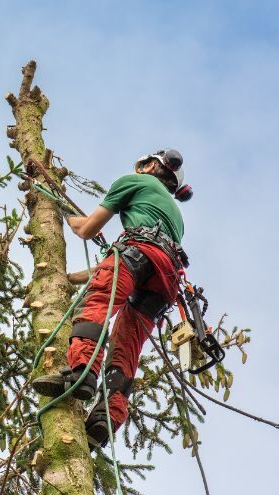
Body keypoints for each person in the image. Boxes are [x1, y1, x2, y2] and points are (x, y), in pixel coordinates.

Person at [32, 149, 193, 449]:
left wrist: (65, 213)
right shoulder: (175, 217)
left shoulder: (134, 181)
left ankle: (81, 372)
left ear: (148, 166)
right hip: (164, 279)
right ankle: (106, 419)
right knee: (127, 345)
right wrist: (69, 278)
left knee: (96, 305)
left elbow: (88, 229)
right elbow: (126, 265)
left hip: (135, 254)